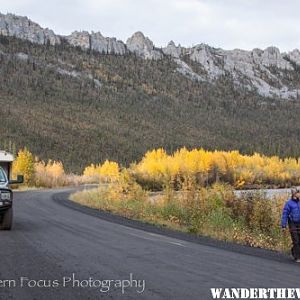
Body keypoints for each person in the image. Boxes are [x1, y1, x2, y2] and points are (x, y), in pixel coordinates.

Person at [281, 188, 300, 262]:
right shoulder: (289, 203)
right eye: (297, 193)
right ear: (293, 194)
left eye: (298, 192)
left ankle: (294, 251)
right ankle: (298, 257)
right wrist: (283, 225)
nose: (298, 194)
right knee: (296, 240)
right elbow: (285, 214)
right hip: (292, 223)